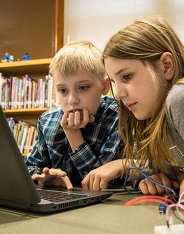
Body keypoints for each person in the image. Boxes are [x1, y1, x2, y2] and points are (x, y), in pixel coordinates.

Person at [82, 16, 184, 203]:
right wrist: (174, 179)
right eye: (114, 82)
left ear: (166, 66)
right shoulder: (151, 112)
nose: (119, 94)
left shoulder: (182, 98)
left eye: (127, 76)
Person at [26, 41, 123, 189]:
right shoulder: (47, 121)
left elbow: (101, 183)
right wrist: (43, 177)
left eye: (83, 88)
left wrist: (73, 135)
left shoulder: (117, 117)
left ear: (104, 87)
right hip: (58, 204)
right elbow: (30, 166)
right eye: (63, 90)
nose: (72, 100)